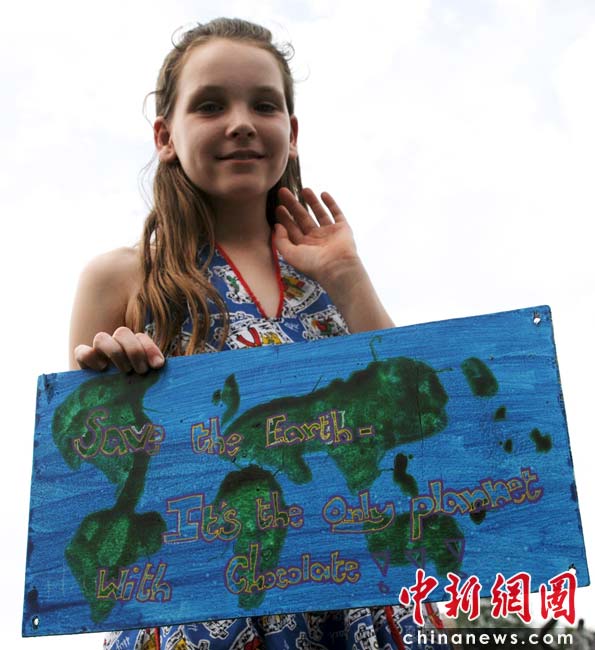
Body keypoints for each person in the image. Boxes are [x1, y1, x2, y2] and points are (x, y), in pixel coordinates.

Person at [69, 17, 450, 650]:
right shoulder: (122, 277)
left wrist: (348, 278)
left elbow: (422, 425)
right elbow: (89, 481)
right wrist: (111, 385)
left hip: (353, 585)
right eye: (210, 105)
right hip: (202, 600)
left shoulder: (327, 274)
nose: (241, 123)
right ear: (165, 136)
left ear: (291, 134)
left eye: (264, 105)